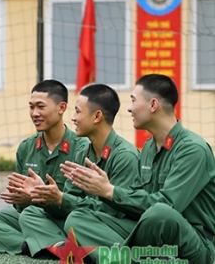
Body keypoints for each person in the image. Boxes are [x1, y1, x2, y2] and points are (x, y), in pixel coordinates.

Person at [63, 74, 215, 263]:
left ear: (153, 105)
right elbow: (134, 201)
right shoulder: (149, 148)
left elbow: (167, 207)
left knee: (160, 212)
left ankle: (126, 257)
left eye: (133, 100)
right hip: (148, 234)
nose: (128, 108)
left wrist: (110, 191)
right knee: (78, 219)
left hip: (194, 244)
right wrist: (102, 191)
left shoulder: (192, 149)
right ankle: (139, 260)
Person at [0, 79, 89, 254]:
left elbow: (82, 206)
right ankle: (30, 246)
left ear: (61, 108)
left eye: (40, 107)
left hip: (63, 220)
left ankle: (15, 242)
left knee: (29, 217)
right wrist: (21, 200)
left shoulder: (82, 148)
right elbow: (20, 204)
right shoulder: (26, 147)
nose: (34, 113)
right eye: (31, 107)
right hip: (29, 216)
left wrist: (40, 199)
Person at [18, 83, 138, 257]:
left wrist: (62, 199)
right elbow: (70, 201)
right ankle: (63, 248)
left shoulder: (125, 156)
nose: (73, 118)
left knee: (76, 221)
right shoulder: (83, 153)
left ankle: (75, 251)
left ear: (97, 117)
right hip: (81, 221)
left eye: (78, 112)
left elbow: (114, 214)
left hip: (110, 230)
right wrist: (45, 196)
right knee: (31, 213)